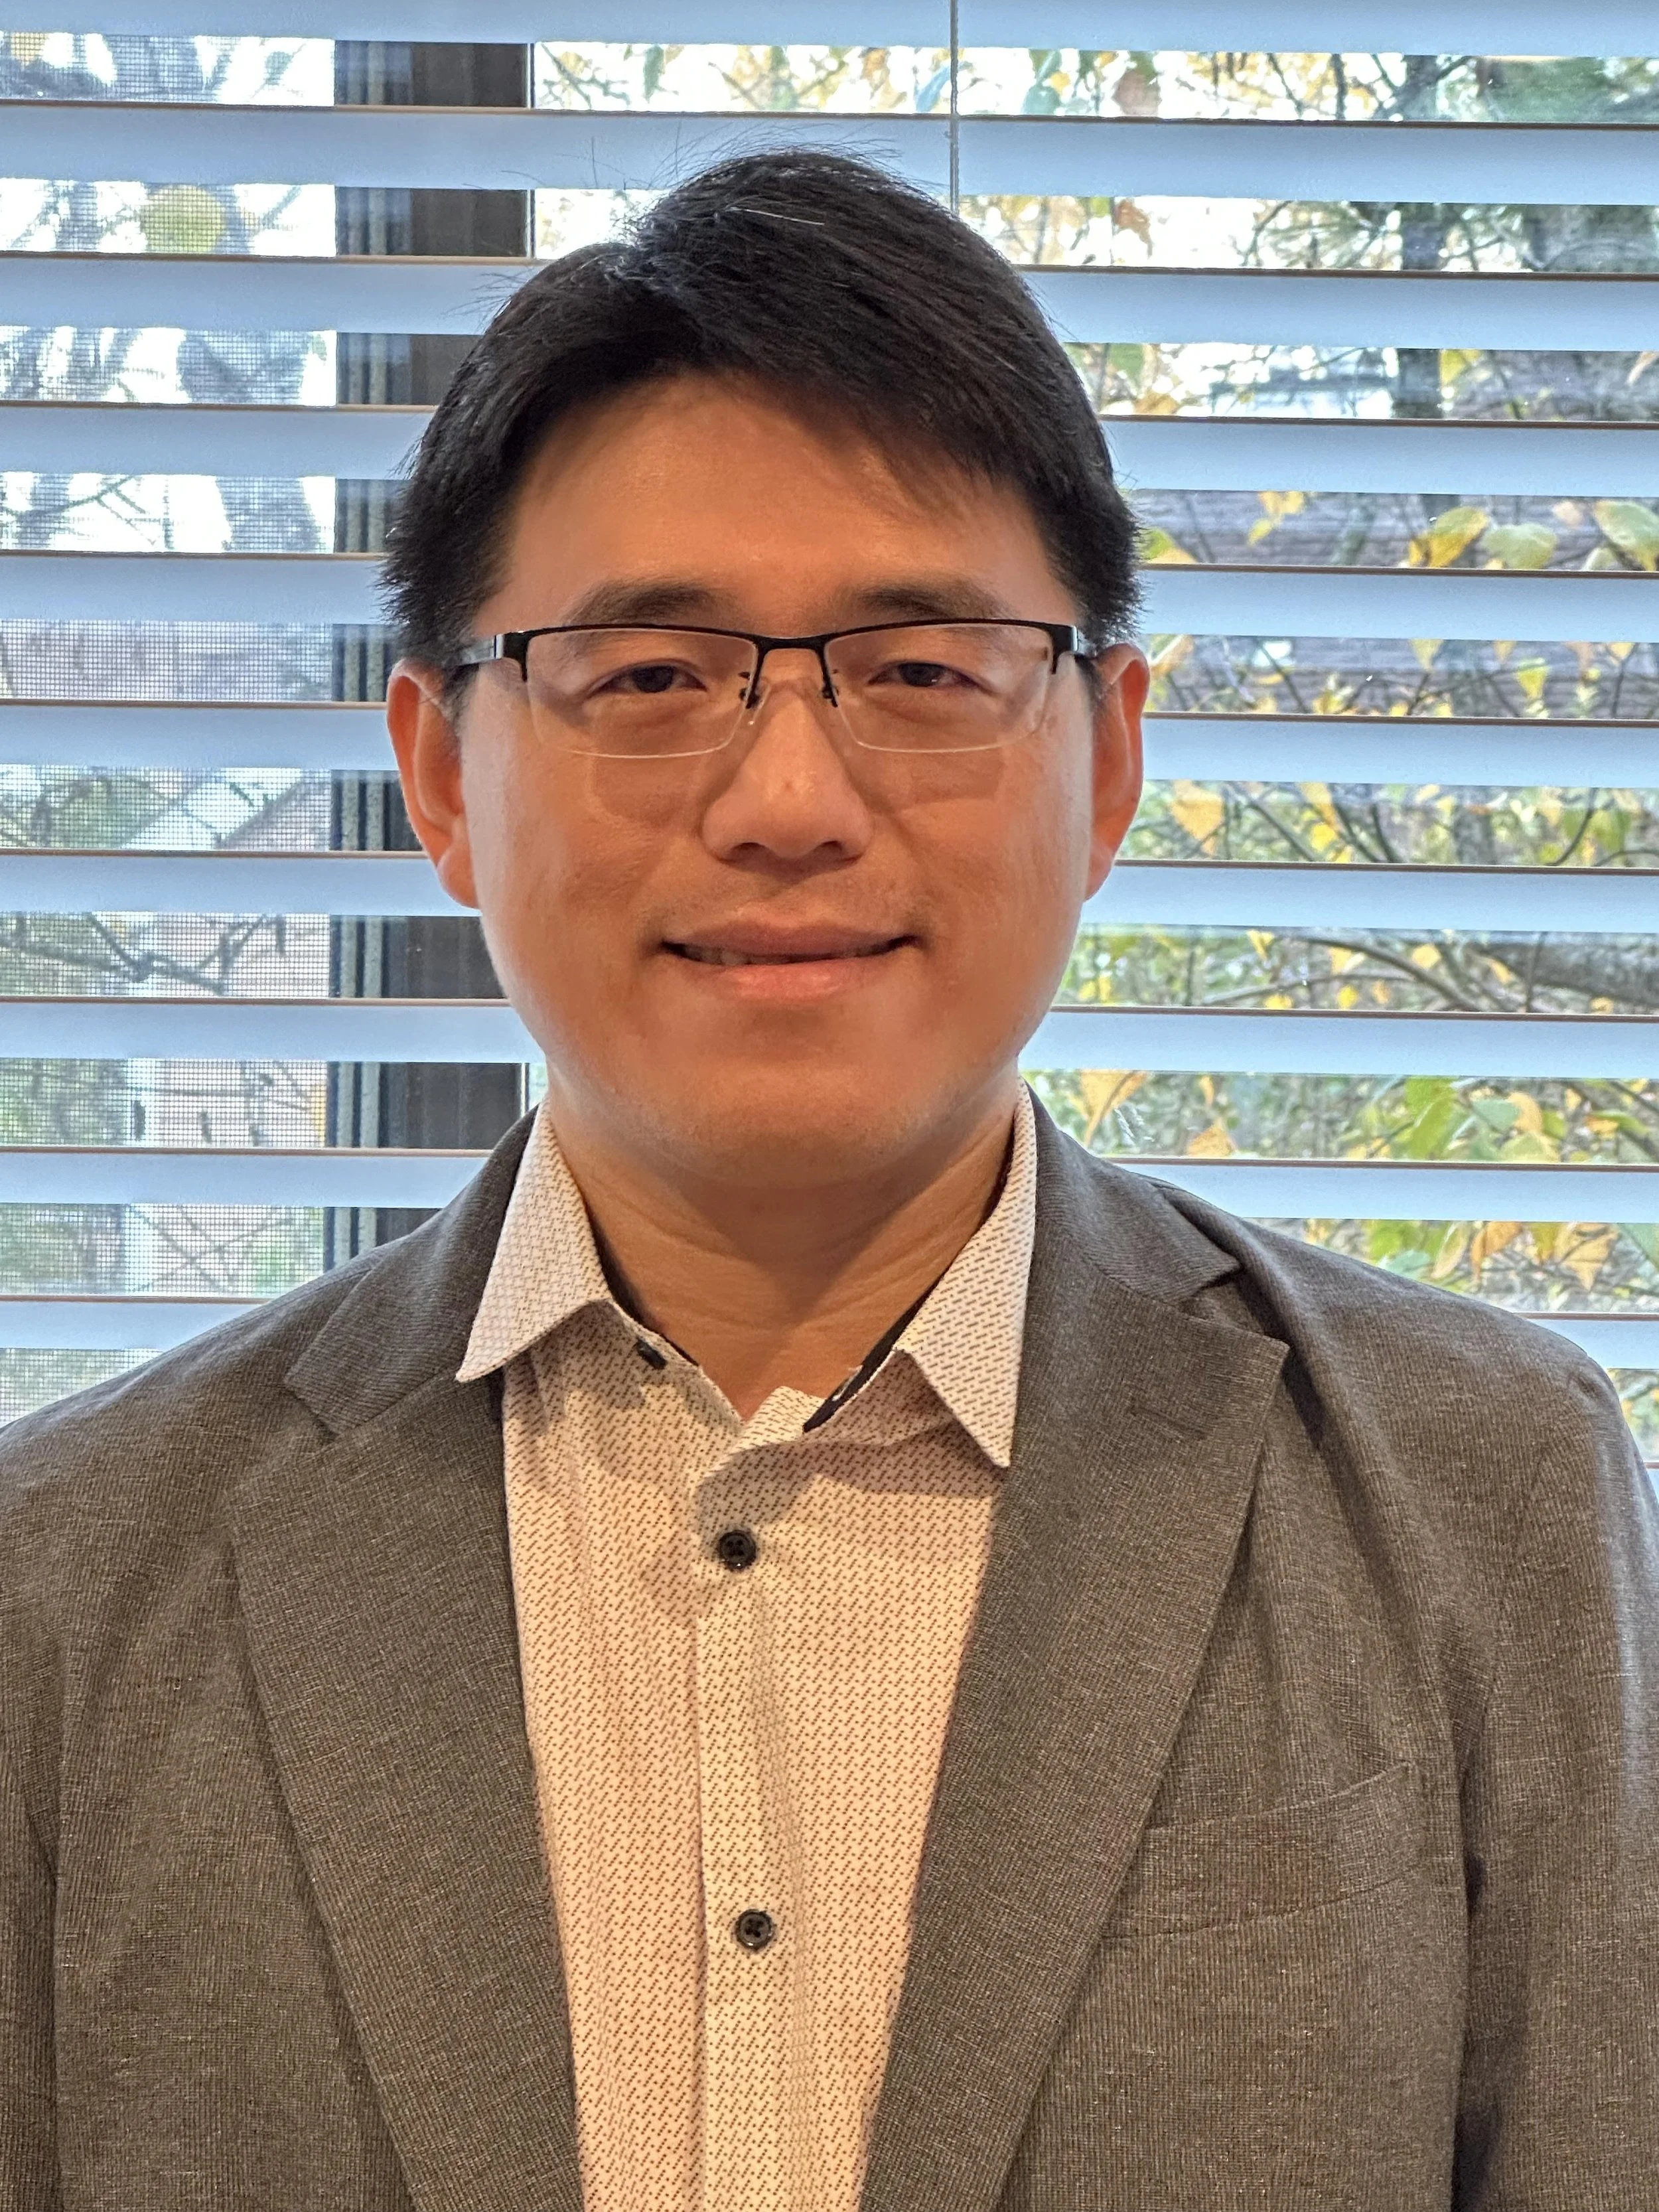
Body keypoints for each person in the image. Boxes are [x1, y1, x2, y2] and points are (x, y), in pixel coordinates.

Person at [2, 149, 1656, 2212]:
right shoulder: (64, 1575)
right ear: (440, 773)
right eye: (651, 675)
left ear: (1108, 756)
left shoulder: (1478, 1485)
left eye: (921, 668)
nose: (787, 799)